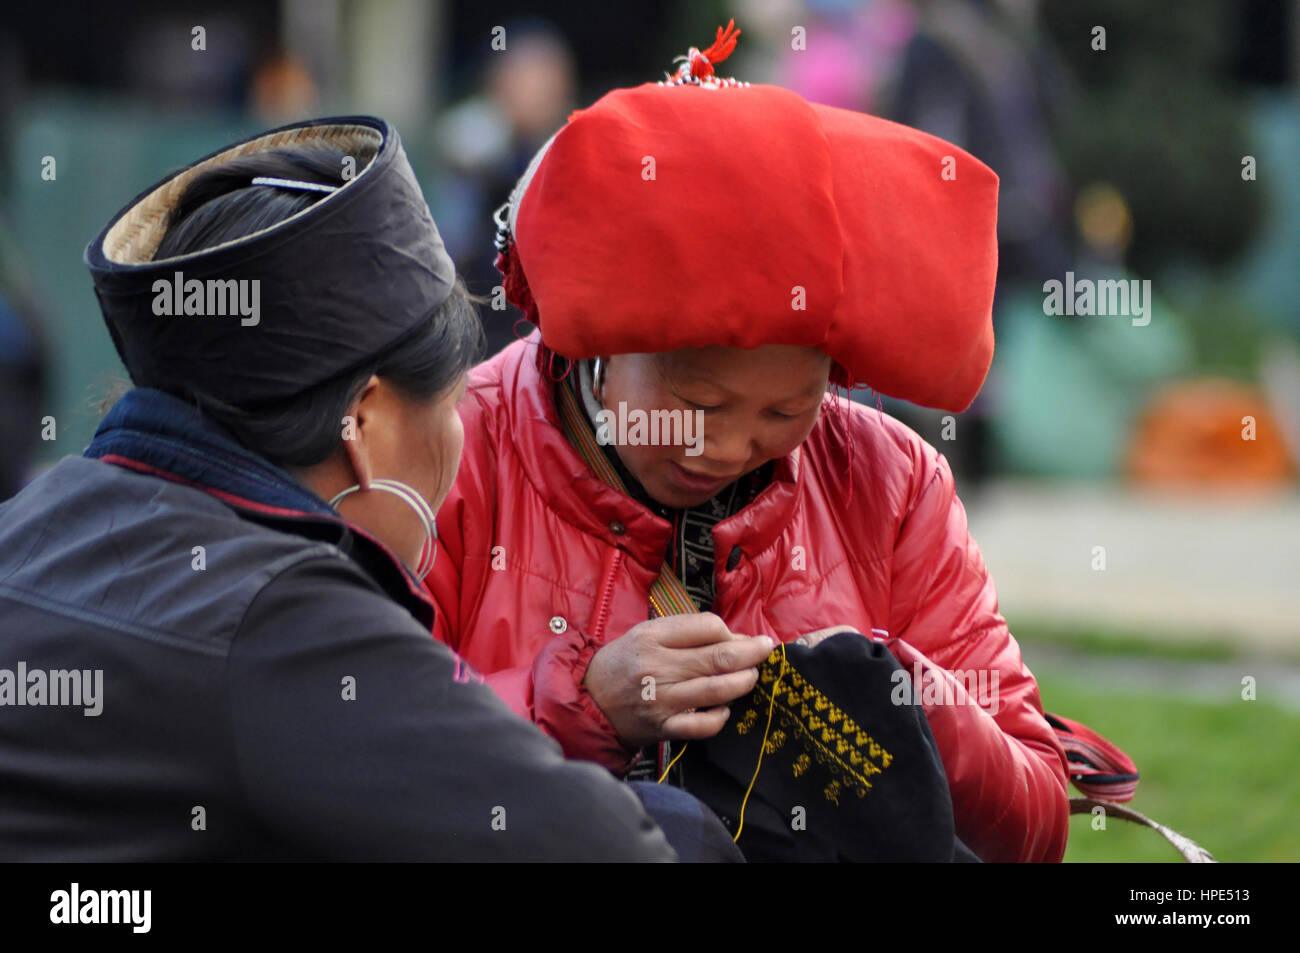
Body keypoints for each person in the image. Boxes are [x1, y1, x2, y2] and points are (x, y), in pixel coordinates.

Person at [426, 24, 1072, 862]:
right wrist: (581, 704)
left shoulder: (893, 481)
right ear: (603, 346)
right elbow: (355, 753)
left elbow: (1038, 823)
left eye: (785, 412)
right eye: (698, 403)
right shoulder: (456, 449)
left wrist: (904, 698)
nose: (730, 449)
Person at [0, 116, 685, 861]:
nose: (462, 437)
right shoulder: (287, 617)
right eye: (455, 404)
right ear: (368, 419)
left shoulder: (32, 514)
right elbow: (609, 849)